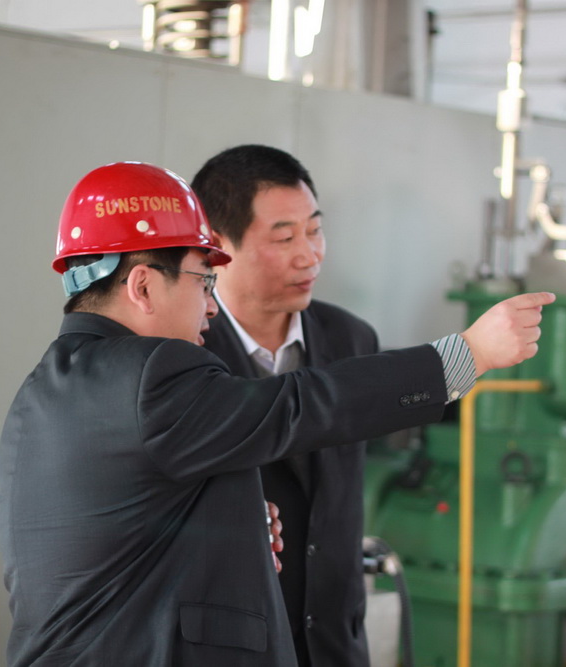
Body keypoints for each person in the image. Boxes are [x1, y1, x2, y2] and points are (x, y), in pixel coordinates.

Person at [0, 161, 553, 667]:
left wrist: (230, 523)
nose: (210, 306)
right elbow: (296, 407)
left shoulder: (41, 393)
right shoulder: (153, 374)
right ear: (143, 285)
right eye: (203, 281)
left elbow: (117, 545)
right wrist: (466, 355)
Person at [191, 144, 382, 667]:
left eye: (314, 231)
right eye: (284, 237)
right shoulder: (183, 354)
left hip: (336, 644)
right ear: (217, 245)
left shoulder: (352, 340)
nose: (310, 255)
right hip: (232, 648)